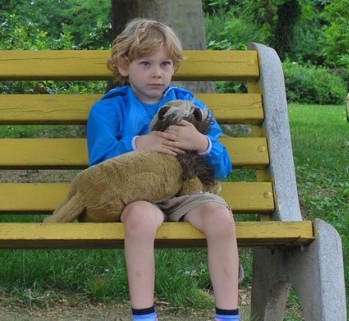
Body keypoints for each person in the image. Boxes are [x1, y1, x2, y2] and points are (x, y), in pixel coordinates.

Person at [87, 18, 240, 321]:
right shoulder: (109, 109)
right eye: (145, 63)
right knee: (140, 220)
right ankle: (144, 316)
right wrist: (137, 143)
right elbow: (99, 164)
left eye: (165, 64)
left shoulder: (190, 106)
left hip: (186, 192)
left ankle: (228, 315)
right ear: (123, 65)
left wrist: (201, 143)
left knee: (221, 218)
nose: (157, 73)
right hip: (138, 195)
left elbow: (223, 167)